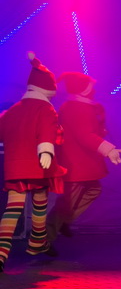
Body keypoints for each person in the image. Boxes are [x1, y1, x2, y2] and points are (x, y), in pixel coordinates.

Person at [0, 52, 66, 271]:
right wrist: (45, 151)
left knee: (12, 209)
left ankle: (1, 252)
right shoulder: (45, 108)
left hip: (15, 166)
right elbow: (47, 131)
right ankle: (37, 242)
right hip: (37, 165)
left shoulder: (12, 110)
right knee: (39, 202)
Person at [46, 72, 121, 245]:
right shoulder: (76, 107)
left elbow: (90, 132)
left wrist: (100, 127)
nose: (94, 90)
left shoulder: (82, 106)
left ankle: (63, 222)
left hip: (82, 161)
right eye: (91, 87)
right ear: (84, 89)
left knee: (92, 190)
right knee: (68, 201)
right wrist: (108, 149)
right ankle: (45, 240)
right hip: (75, 162)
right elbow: (84, 135)